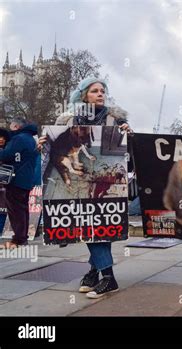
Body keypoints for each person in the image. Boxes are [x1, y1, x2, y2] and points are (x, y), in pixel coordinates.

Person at [45, 77, 131, 298]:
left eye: (103, 90)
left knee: (99, 225)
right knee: (91, 225)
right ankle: (99, 273)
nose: (100, 93)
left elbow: (127, 157)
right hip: (77, 181)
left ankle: (104, 276)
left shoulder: (116, 120)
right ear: (84, 95)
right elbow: (54, 150)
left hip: (104, 181)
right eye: (94, 90)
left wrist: (128, 135)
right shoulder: (68, 120)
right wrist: (41, 143)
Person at [0, 118, 39, 249]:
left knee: (15, 210)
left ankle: (19, 239)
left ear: (16, 126)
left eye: (11, 126)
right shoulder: (31, 139)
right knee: (22, 210)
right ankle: (22, 237)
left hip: (15, 180)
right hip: (26, 179)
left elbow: (6, 155)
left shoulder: (18, 139)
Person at [0, 129, 11, 234]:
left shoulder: (9, 150)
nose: (1, 139)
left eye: (3, 137)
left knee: (3, 209)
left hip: (5, 184)